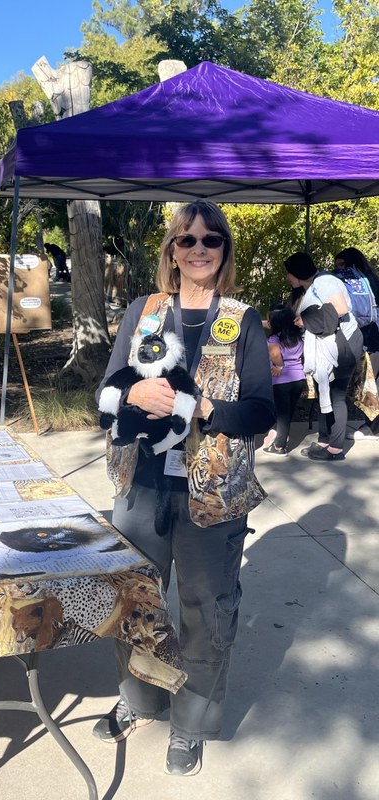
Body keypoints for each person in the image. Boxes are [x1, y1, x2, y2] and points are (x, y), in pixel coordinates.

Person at [93, 200, 274, 776]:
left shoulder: (241, 318)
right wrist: (129, 398)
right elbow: (104, 397)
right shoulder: (142, 313)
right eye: (187, 239)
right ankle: (140, 700)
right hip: (141, 486)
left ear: (224, 251)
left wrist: (206, 407)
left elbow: (262, 413)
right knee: (137, 603)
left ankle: (191, 723)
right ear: (171, 249)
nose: (199, 249)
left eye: (211, 240)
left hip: (212, 495)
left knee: (204, 610)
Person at [284, 252, 364, 461]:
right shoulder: (309, 288)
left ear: (298, 272)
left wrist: (306, 320)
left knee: (336, 394)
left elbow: (340, 308)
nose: (287, 278)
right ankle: (324, 439)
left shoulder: (325, 281)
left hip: (341, 345)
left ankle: (335, 448)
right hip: (327, 348)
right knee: (323, 391)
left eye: (289, 273)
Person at [333, 247, 379, 440]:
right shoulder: (371, 280)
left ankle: (373, 427)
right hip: (375, 337)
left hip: (370, 339)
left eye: (341, 265)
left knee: (370, 384)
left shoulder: (356, 283)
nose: (339, 270)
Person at [262, 303, 306, 456]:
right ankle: (279, 434)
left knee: (282, 414)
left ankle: (279, 446)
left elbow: (275, 355)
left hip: (281, 380)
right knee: (288, 412)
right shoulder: (297, 336)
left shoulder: (275, 339)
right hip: (299, 378)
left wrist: (279, 367)